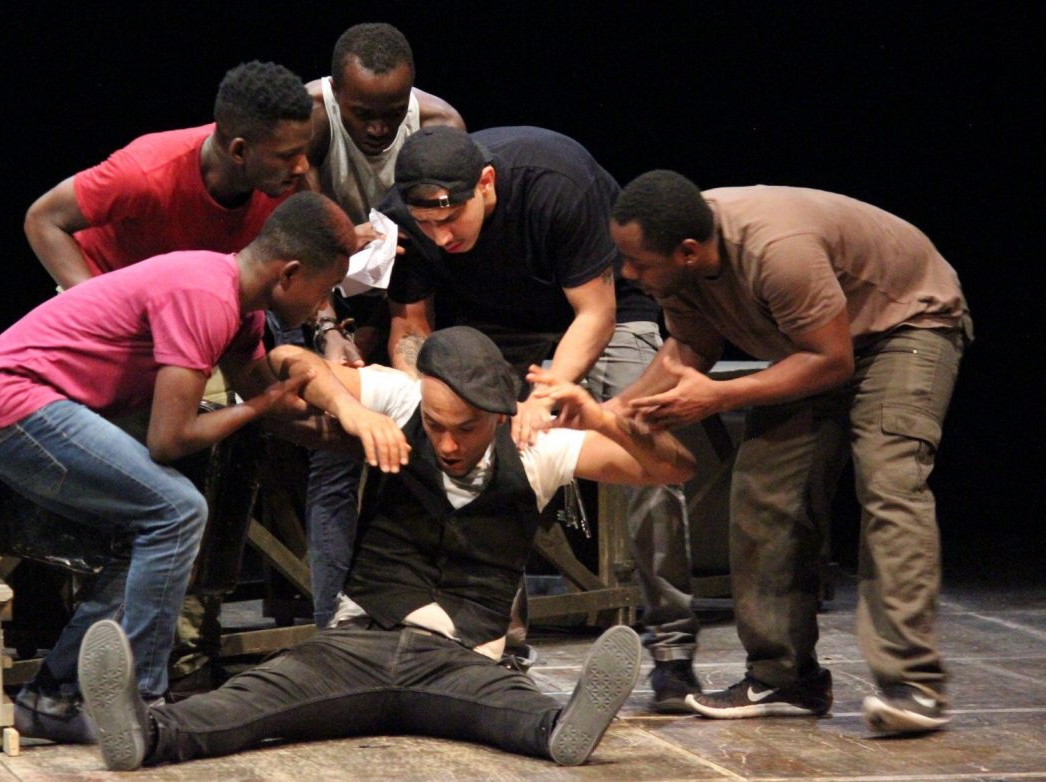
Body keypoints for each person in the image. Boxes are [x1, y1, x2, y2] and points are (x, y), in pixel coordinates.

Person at [74, 326, 697, 770]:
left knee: (509, 708)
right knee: (256, 698)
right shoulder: (402, 400)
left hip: (458, 656)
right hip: (356, 641)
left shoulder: (541, 449)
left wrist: (600, 415)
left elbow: (672, 469)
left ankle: (564, 729)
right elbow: (290, 358)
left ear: (502, 414)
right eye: (436, 426)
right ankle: (145, 733)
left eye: (467, 429)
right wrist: (352, 409)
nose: (448, 444)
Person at [0, 192, 364, 743]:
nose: (321, 306)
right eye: (323, 288)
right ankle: (142, 701)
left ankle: (53, 698)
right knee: (177, 509)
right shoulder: (204, 294)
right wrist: (257, 406)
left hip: (25, 403)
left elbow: (278, 408)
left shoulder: (242, 309)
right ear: (289, 273)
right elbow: (172, 440)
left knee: (150, 532)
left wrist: (361, 434)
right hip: (9, 398)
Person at [608, 170, 971, 734]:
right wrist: (615, 412)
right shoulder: (680, 269)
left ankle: (913, 684)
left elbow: (833, 361)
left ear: (685, 251)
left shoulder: (777, 251)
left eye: (638, 263)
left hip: (905, 324)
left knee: (888, 482)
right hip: (809, 347)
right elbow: (691, 346)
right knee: (763, 493)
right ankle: (785, 675)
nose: (628, 274)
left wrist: (720, 397)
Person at [381, 125, 701, 709]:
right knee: (468, 454)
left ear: (485, 184)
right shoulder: (402, 217)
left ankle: (673, 649)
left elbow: (595, 313)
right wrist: (420, 391)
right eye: (425, 224)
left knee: (643, 440)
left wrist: (549, 393)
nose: (440, 235)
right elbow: (411, 326)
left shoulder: (554, 182)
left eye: (450, 218)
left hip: (601, 317)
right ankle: (500, 644)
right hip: (490, 333)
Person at [301, 22, 465, 631]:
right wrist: (330, 328)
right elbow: (302, 238)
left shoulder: (442, 126)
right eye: (362, 113)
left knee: (434, 438)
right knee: (336, 450)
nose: (376, 128)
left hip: (410, 294)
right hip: (318, 290)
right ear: (337, 95)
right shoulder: (311, 117)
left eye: (391, 114)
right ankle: (331, 625)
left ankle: (437, 614)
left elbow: (445, 248)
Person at [23, 60, 313, 289]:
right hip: (105, 294)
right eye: (288, 155)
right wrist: (98, 306)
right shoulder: (143, 173)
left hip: (188, 304)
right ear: (239, 152)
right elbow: (44, 219)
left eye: (303, 152)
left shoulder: (286, 181)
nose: (302, 166)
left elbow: (306, 254)